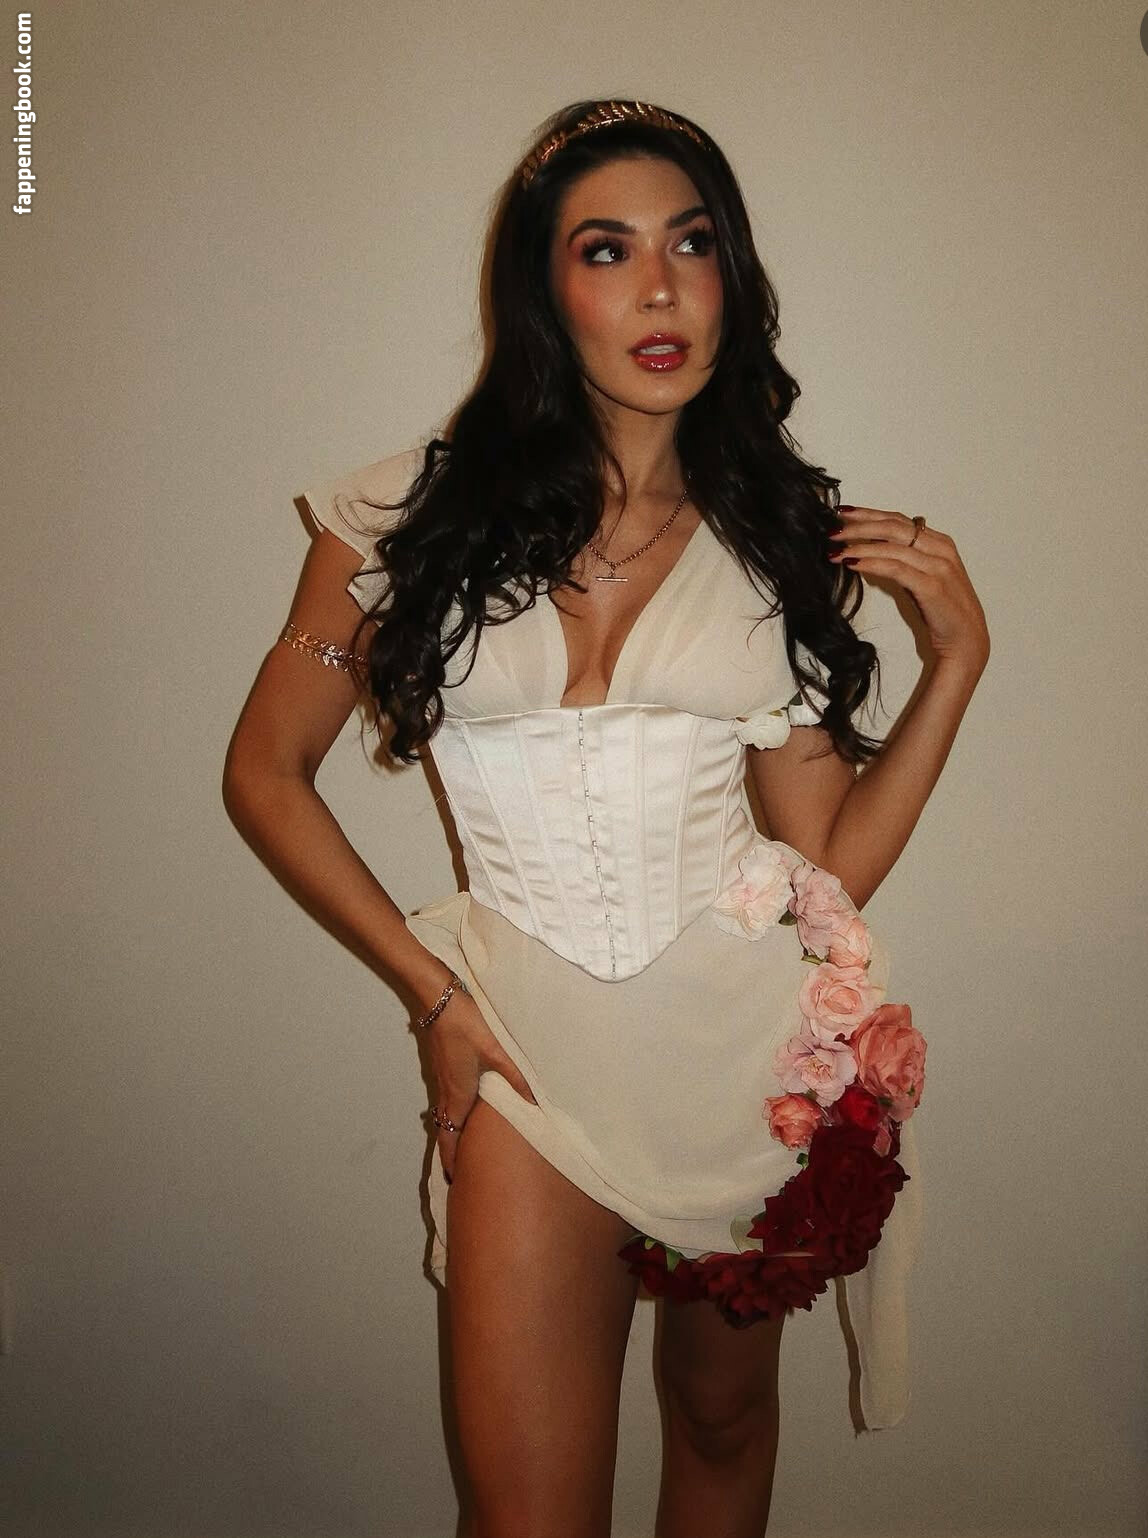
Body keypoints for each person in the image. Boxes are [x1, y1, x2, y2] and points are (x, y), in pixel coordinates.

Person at [223, 98, 989, 1538]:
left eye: (691, 245)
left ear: (731, 276)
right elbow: (267, 770)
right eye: (606, 249)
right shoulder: (400, 517)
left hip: (745, 1058)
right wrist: (432, 994)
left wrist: (956, 666)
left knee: (718, 1422)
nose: (658, 289)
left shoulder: (774, 539)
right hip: (525, 1056)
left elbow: (828, 857)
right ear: (543, 287)